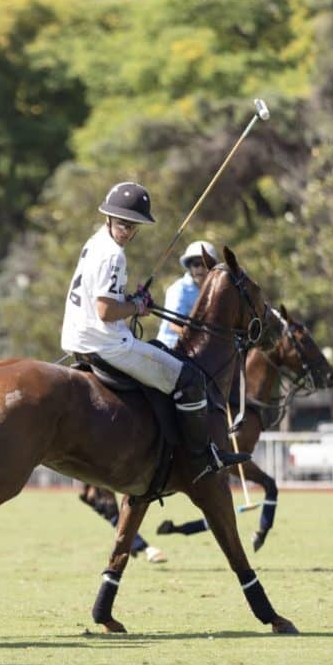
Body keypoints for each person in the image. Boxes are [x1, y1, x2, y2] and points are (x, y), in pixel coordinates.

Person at [60, 182, 249, 478]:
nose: (126, 230)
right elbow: (105, 311)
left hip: (77, 336)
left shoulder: (95, 241)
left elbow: (105, 299)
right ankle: (203, 456)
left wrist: (132, 300)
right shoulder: (114, 255)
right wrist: (137, 308)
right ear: (108, 217)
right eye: (121, 223)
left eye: (132, 225)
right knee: (190, 379)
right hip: (107, 343)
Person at [155, 240, 218, 349]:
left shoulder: (214, 291)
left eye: (204, 264)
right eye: (196, 264)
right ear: (190, 267)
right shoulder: (179, 289)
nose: (200, 269)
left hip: (194, 349)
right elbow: (173, 325)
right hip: (169, 348)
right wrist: (203, 338)